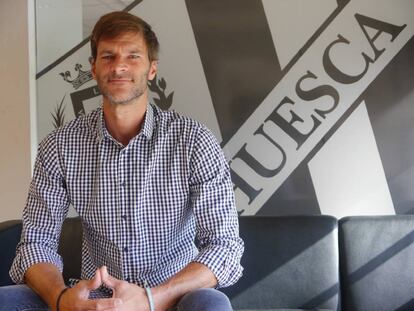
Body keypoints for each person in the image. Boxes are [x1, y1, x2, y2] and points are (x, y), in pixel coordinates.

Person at [0, 11, 243, 311]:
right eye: (108, 56)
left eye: (133, 56)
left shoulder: (194, 141)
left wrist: (150, 299)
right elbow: (35, 243)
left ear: (152, 69)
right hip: (96, 298)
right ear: (93, 68)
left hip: (173, 297)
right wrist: (63, 299)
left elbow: (224, 247)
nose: (119, 66)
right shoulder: (60, 146)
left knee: (211, 305)